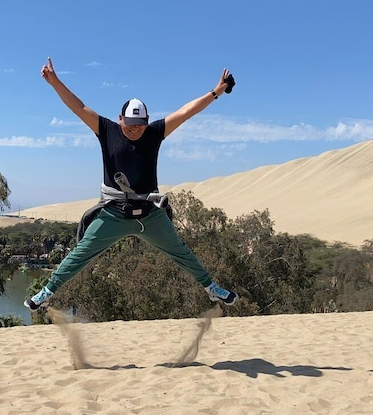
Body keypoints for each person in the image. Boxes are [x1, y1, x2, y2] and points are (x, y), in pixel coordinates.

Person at [24, 57, 238, 311]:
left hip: (150, 215)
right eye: (131, 123)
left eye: (141, 124)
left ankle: (211, 288)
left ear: (147, 121)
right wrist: (54, 82)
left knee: (181, 252)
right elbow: (78, 107)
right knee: (80, 254)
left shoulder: (155, 133)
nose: (136, 129)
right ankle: (47, 293)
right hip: (113, 214)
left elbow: (185, 112)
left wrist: (216, 92)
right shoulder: (106, 130)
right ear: (120, 118)